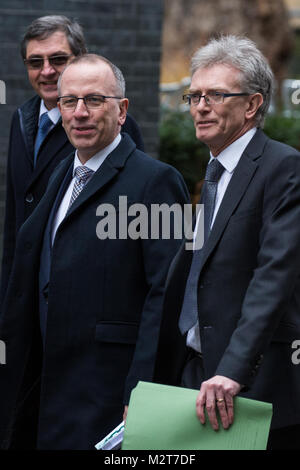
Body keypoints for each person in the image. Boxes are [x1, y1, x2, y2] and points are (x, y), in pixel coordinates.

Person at [0, 53, 189, 450]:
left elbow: (166, 296)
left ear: (121, 110)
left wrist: (142, 391)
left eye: (94, 100)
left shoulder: (156, 182)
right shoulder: (61, 175)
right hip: (45, 387)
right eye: (69, 101)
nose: (80, 113)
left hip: (107, 395)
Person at [154, 35, 300, 450]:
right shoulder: (214, 173)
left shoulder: (283, 167)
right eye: (194, 95)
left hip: (249, 384)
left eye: (216, 95)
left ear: (252, 105)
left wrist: (234, 369)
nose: (200, 106)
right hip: (195, 374)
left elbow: (274, 276)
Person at [0, 15, 144, 305]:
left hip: (84, 297)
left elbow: (131, 217)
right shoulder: (21, 119)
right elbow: (17, 213)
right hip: (28, 292)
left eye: (58, 59)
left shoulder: (113, 124)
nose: (47, 71)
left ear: (80, 59)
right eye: (35, 62)